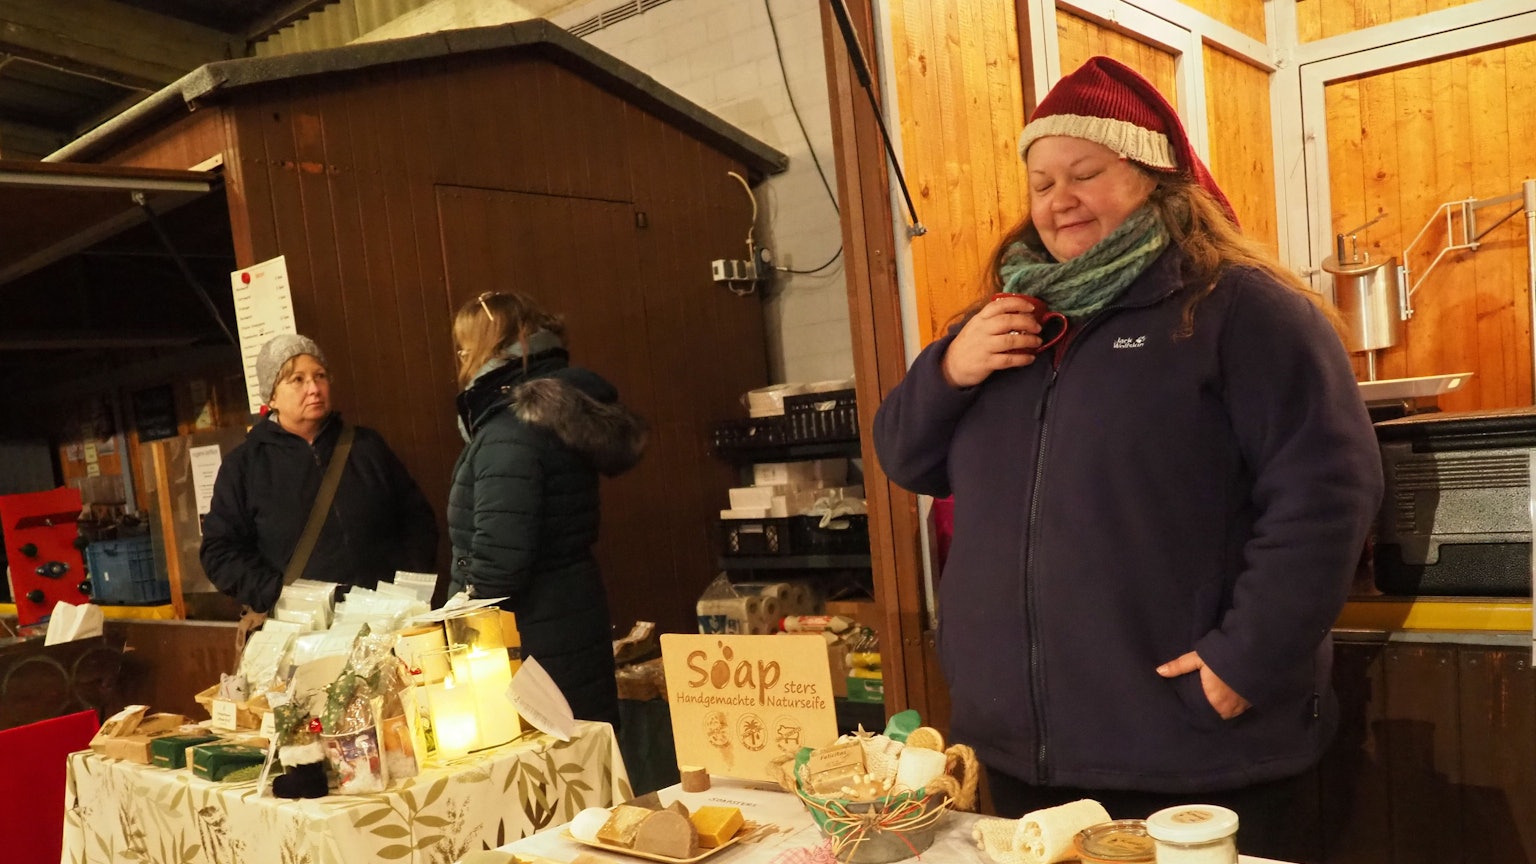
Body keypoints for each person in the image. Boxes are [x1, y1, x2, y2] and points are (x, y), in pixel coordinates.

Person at [871, 57, 1383, 860]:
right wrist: (948, 369)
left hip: (1189, 746)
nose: (1058, 200)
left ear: (1156, 179)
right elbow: (905, 455)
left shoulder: (1241, 308)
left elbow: (1328, 494)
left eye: (1086, 173)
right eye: (1041, 182)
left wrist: (1243, 661)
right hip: (1021, 750)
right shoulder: (1006, 322)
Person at [446, 291, 646, 728]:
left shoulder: (510, 431)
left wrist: (458, 617)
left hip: (531, 634)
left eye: (466, 346)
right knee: (583, 752)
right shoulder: (554, 411)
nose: (462, 357)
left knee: (550, 763)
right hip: (570, 613)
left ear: (491, 347)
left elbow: (502, 559)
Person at [201, 334, 438, 613]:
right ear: (272, 396)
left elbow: (417, 518)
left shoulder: (366, 446)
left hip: (388, 616)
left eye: (320, 376)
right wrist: (278, 594)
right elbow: (219, 552)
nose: (314, 388)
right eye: (297, 380)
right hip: (306, 631)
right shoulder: (245, 466)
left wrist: (406, 586)